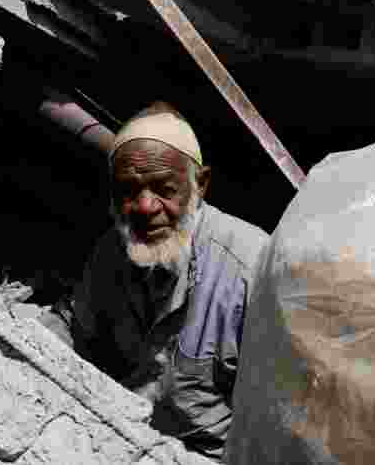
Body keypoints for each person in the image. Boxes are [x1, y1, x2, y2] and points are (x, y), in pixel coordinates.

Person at [39, 102, 269, 461]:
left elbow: (286, 418)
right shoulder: (112, 251)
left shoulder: (251, 268)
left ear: (201, 184)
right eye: (128, 191)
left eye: (164, 189)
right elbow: (72, 325)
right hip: (122, 440)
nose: (145, 207)